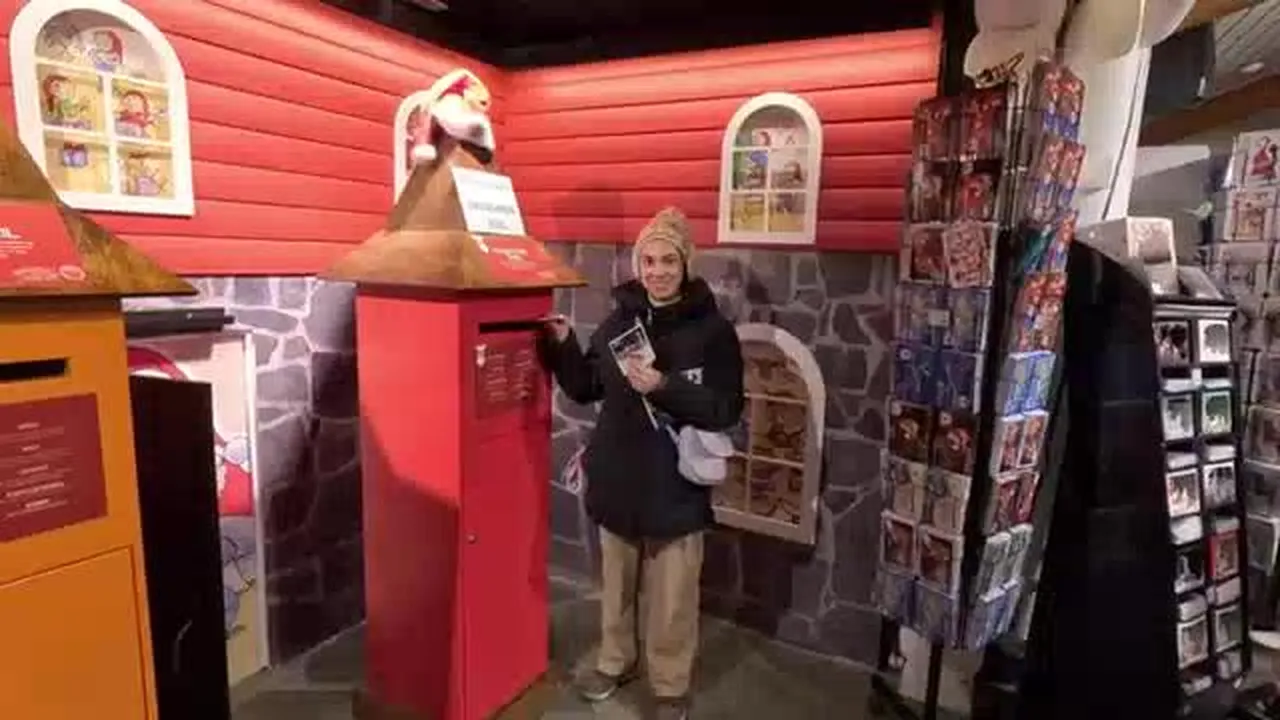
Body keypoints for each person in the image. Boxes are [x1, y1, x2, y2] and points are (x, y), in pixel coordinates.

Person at [541, 207, 744, 720]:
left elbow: (726, 408)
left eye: (668, 261)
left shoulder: (713, 332)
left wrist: (665, 387)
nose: (657, 271)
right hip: (618, 477)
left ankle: (670, 687)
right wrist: (564, 346)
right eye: (648, 261)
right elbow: (586, 386)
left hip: (675, 485)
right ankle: (615, 661)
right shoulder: (619, 321)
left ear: (685, 263)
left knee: (673, 597)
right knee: (616, 588)